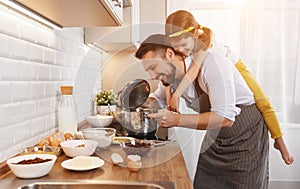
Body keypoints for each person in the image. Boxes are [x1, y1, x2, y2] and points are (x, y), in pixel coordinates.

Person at [135, 34, 269, 189]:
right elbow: (158, 100)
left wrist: (176, 120)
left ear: (170, 54)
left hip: (245, 134)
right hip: (216, 137)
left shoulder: (212, 65)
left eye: (153, 68)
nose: (152, 76)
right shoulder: (169, 79)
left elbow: (225, 118)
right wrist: (139, 101)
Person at [164, 10, 294, 165]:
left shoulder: (205, 44)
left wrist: (176, 95)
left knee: (262, 101)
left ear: (195, 35)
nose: (182, 51)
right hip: (222, 88)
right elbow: (167, 78)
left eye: (184, 45)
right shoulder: (185, 48)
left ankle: (279, 141)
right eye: (177, 48)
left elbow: (193, 72)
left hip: (236, 67)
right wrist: (168, 95)